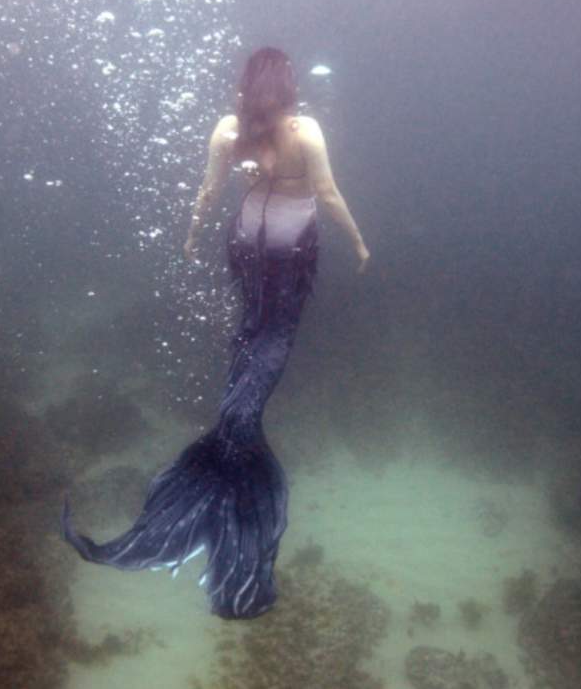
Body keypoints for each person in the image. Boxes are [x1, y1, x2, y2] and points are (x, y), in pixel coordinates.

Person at [62, 47, 369, 619]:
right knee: (273, 337)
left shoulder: (230, 129)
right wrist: (357, 241)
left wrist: (192, 233)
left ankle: (229, 438)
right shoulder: (305, 131)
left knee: (250, 331)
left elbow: (208, 192)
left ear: (246, 87)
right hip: (291, 250)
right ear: (289, 86)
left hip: (245, 243)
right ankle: (235, 443)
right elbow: (326, 194)